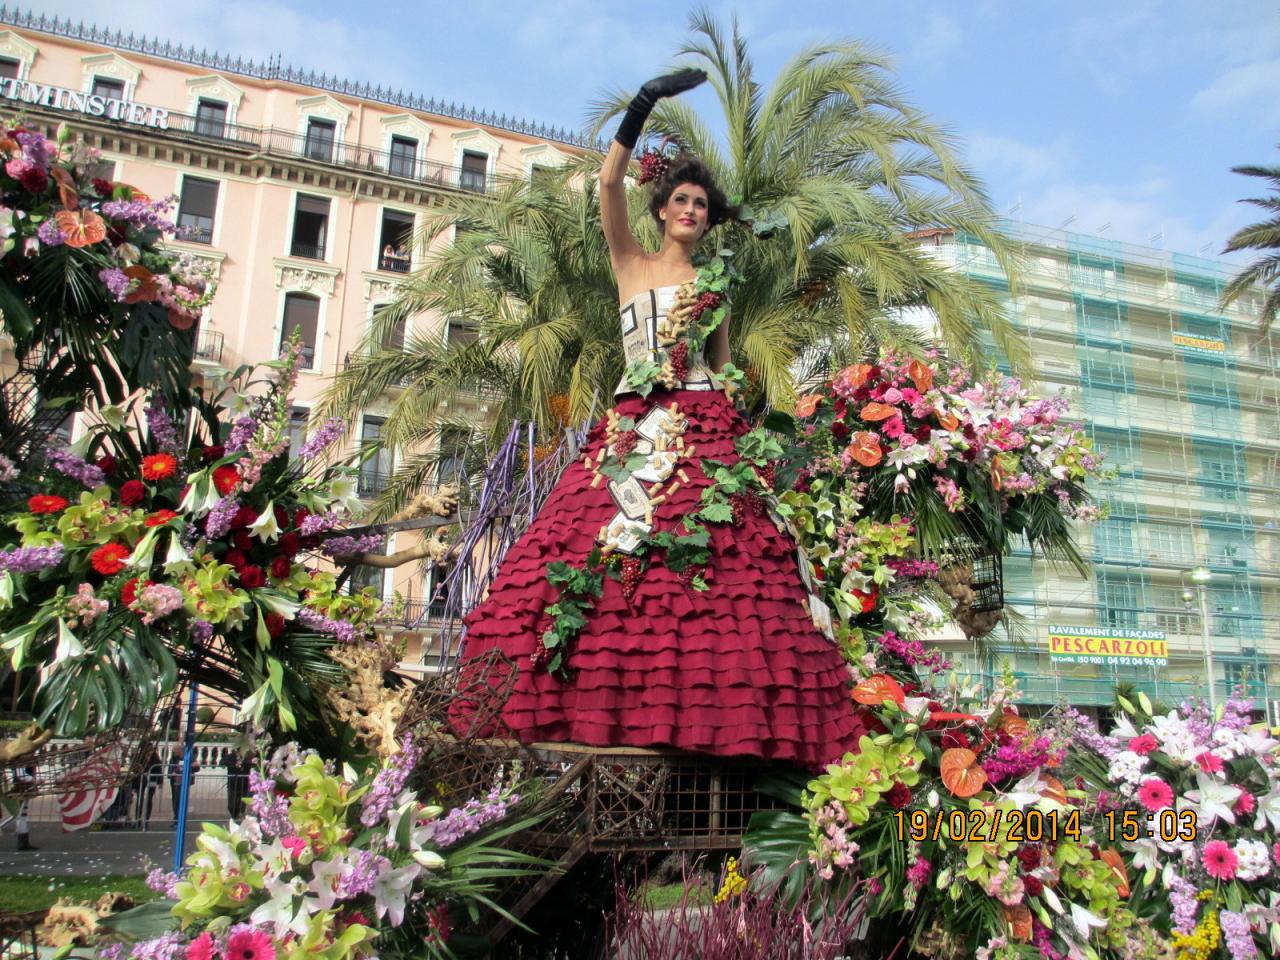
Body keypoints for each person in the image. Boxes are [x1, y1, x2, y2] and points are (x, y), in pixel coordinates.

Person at [452, 70, 858, 767]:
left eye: (701, 203)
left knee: (729, 574)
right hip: (632, 430)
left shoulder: (716, 286)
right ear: (662, 209)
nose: (691, 210)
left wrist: (747, 446)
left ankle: (715, 723)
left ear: (709, 216)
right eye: (681, 200)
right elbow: (608, 183)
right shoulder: (631, 265)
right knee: (586, 559)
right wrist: (644, 104)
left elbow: (723, 369)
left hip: (704, 428)